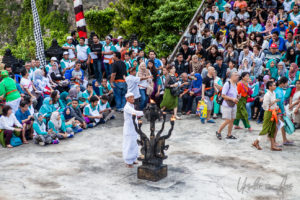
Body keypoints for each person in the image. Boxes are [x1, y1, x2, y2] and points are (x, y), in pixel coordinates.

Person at [252, 81, 282, 151]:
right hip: (268, 113)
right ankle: (256, 142)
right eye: (273, 85)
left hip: (273, 112)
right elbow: (265, 106)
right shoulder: (267, 95)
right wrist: (274, 102)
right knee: (266, 129)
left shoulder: (273, 93)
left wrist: (276, 106)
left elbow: (272, 104)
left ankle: (272, 145)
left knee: (272, 129)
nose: (275, 86)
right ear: (269, 87)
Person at [122, 92, 144, 168]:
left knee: (135, 143)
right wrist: (144, 112)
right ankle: (128, 161)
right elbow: (134, 113)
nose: (132, 99)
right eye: (130, 97)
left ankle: (133, 159)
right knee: (129, 144)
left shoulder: (131, 105)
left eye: (133, 97)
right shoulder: (127, 107)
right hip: (129, 128)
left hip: (134, 127)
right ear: (127, 99)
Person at [216, 71, 239, 140]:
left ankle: (229, 134)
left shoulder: (236, 84)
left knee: (232, 120)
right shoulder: (227, 84)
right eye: (236, 75)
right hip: (227, 105)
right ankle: (218, 131)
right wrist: (232, 99)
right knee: (228, 120)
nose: (237, 76)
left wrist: (237, 97)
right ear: (231, 76)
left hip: (233, 105)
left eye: (238, 75)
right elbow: (223, 95)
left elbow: (234, 94)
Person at [275, 77, 294, 146]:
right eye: (287, 83)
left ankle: (284, 139)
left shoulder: (279, 89)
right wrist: (283, 112)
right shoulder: (279, 91)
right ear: (283, 83)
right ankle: (273, 141)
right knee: (277, 126)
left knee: (282, 125)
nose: (287, 84)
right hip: (278, 111)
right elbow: (279, 103)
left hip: (279, 111)